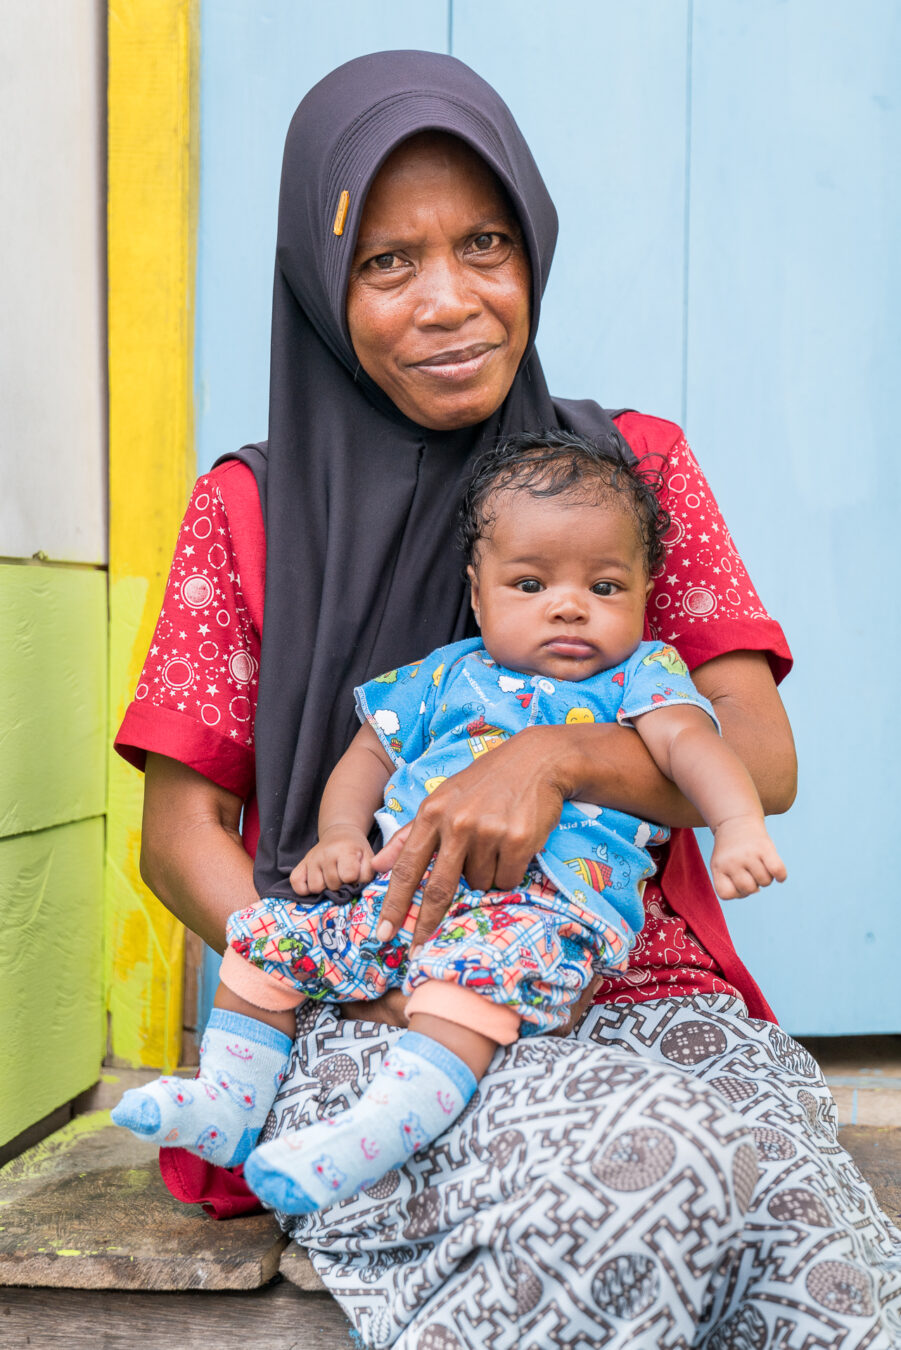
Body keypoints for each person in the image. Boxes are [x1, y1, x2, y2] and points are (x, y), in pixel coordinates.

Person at [114, 49, 901, 1349]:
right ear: (323, 283)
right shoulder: (248, 512)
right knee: (642, 1170)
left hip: (638, 989)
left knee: (789, 1222)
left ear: (532, 245)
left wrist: (558, 757)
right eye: (386, 261)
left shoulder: (628, 472)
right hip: (374, 1009)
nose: (449, 301)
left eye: (485, 243)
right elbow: (179, 830)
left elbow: (757, 757)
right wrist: (334, 963)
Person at [114, 430, 788, 1215]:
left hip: (542, 908)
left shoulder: (642, 677)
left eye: (605, 589)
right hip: (397, 898)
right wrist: (338, 837)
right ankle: (226, 1103)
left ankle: (381, 1127)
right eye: (530, 583)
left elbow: (697, 748)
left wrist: (737, 826)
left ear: (645, 594)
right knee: (272, 944)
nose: (568, 605)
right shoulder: (444, 674)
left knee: (466, 994)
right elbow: (366, 760)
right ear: (477, 594)